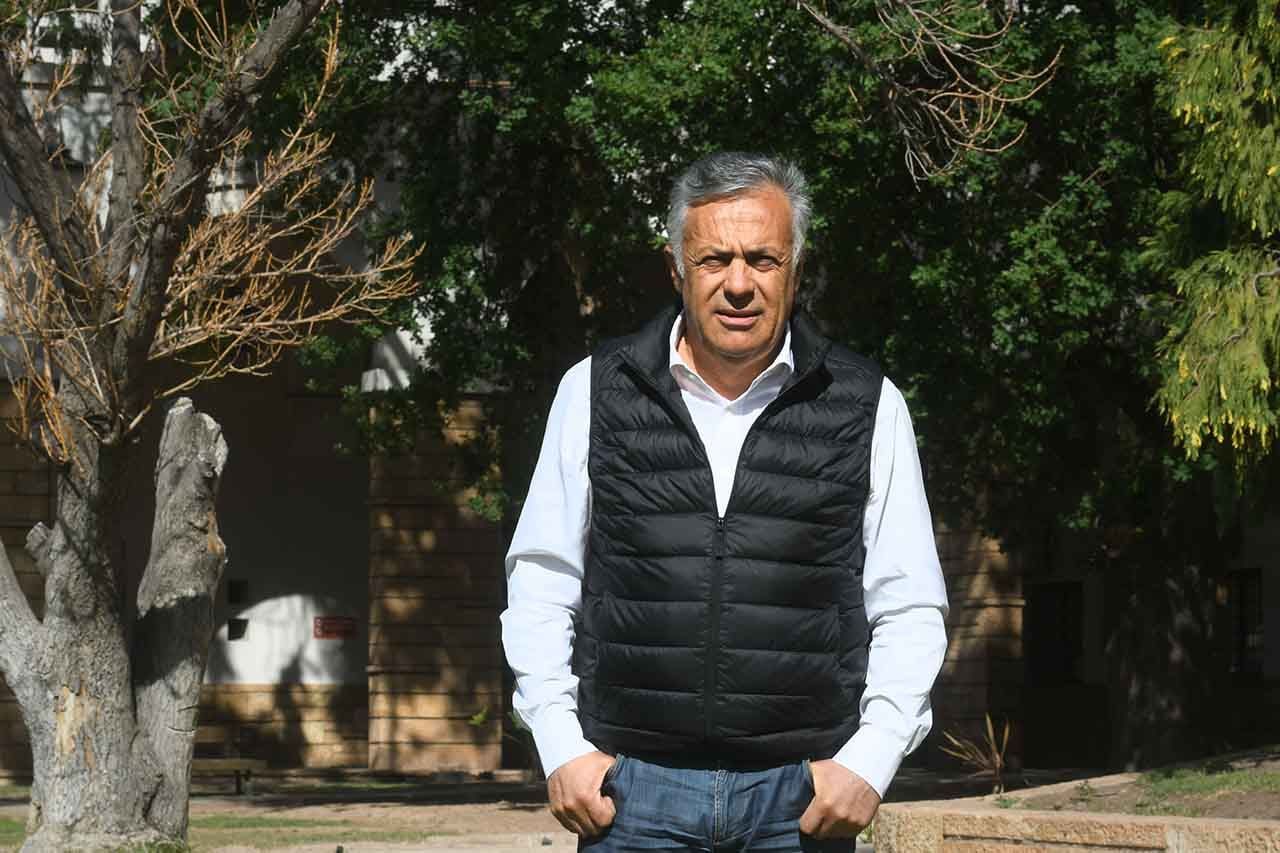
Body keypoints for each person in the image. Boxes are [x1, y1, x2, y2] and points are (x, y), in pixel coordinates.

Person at [501, 151, 948, 852]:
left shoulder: (867, 404)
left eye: (763, 259)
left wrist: (870, 760)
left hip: (800, 802)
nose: (738, 283)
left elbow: (911, 602)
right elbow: (541, 581)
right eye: (715, 260)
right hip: (630, 796)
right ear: (676, 268)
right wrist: (560, 745)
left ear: (795, 270)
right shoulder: (593, 391)